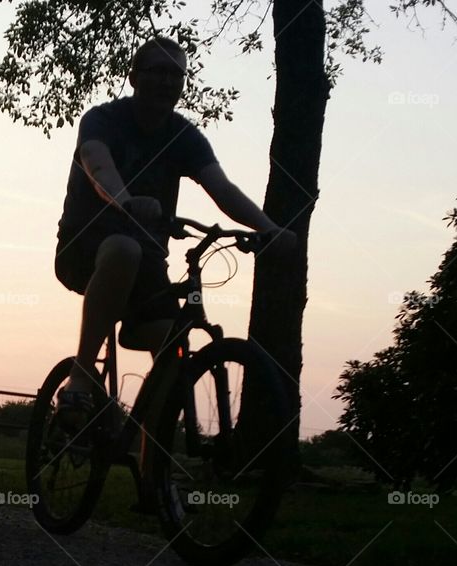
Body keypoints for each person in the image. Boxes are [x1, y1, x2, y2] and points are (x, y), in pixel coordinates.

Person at [53, 36, 296, 432]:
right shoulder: (103, 120)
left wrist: (268, 229)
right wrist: (127, 201)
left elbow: (223, 189)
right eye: (158, 71)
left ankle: (150, 456)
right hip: (85, 247)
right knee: (124, 248)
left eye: (176, 74)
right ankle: (81, 376)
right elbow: (97, 167)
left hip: (147, 263)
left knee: (173, 345)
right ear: (133, 77)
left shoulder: (184, 137)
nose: (168, 81)